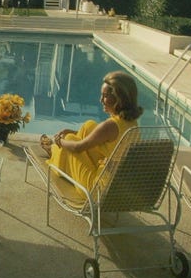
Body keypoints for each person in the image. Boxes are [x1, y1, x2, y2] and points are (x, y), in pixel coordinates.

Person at [35, 70, 143, 204]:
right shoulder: (131, 122)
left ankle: (54, 151)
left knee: (69, 140)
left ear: (119, 98)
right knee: (89, 126)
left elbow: (77, 148)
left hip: (97, 190)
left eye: (105, 96)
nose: (101, 100)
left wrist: (60, 141)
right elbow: (101, 139)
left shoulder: (110, 126)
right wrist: (75, 133)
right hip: (118, 186)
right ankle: (58, 151)